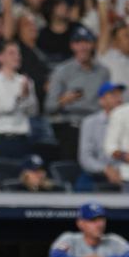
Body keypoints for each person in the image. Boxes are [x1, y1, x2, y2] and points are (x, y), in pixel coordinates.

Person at [45, 26, 110, 161]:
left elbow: (107, 102)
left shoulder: (103, 72)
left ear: (92, 45)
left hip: (95, 126)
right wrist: (63, 100)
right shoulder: (62, 71)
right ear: (72, 46)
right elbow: (49, 106)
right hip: (70, 125)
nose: (83, 47)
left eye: (86, 42)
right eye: (78, 43)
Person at [0, 41, 37, 158]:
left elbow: (33, 111)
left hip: (22, 139)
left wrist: (26, 96)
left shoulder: (25, 81)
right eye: (12, 53)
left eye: (18, 53)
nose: (17, 57)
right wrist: (20, 98)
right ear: (0, 57)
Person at [77, 82, 125, 191]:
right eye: (113, 95)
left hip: (123, 173)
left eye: (120, 95)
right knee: (83, 185)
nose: (119, 99)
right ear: (102, 100)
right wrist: (105, 169)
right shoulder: (90, 122)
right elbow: (85, 157)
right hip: (96, 174)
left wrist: (119, 170)